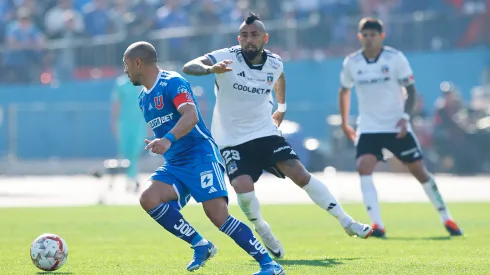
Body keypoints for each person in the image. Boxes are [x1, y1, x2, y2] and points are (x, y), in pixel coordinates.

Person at [182, 12, 372, 259]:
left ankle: (347, 222)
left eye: (254, 35)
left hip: (264, 131)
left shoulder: (274, 62)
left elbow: (279, 78)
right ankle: (262, 227)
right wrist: (210, 69)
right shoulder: (226, 57)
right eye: (244, 35)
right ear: (239, 38)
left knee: (299, 172)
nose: (249, 39)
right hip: (230, 138)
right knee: (242, 186)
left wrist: (281, 108)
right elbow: (189, 66)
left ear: (265, 38)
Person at [123, 41, 285, 275]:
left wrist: (167, 139)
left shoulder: (172, 82)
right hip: (176, 163)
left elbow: (190, 117)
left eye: (126, 64)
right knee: (149, 198)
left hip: (200, 156)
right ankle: (201, 244)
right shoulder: (143, 98)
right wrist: (161, 143)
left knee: (218, 216)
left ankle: (270, 265)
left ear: (138, 62)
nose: (125, 70)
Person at [338, 17, 463, 238]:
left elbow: (411, 90)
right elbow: (344, 91)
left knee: (419, 171)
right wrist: (345, 121)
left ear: (381, 36)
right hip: (369, 127)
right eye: (364, 35)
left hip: (396, 125)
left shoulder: (395, 58)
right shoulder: (351, 62)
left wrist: (406, 117)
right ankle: (377, 225)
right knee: (363, 166)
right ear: (359, 37)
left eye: (372, 35)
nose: (368, 39)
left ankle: (447, 217)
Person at [111, 74, 148, 192]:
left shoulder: (143, 82)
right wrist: (114, 121)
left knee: (135, 152)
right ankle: (129, 178)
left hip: (139, 124)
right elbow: (116, 103)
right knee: (125, 152)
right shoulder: (121, 83)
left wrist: (150, 123)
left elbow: (147, 104)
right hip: (124, 124)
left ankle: (132, 178)